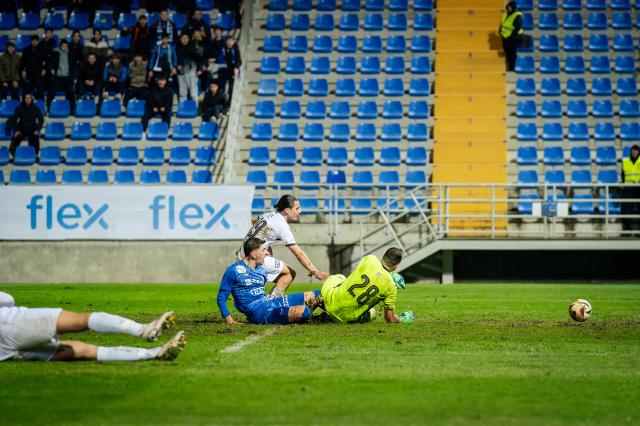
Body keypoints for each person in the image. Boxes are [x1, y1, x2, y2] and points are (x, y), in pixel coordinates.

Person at [0, 291, 185, 362]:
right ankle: (141, 330)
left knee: (80, 351)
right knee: (81, 320)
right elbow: (7, 299)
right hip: (7, 323)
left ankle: (155, 353)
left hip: (3, 352)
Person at [238, 195, 329, 298]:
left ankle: (265, 299)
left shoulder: (270, 214)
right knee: (289, 274)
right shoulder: (282, 227)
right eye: (297, 208)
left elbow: (254, 219)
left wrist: (264, 242)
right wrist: (315, 272)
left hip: (243, 254)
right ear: (287, 210)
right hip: (253, 257)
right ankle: (271, 303)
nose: (300, 211)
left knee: (279, 277)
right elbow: (299, 254)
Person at [218, 238, 320, 325]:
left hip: (270, 302)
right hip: (261, 313)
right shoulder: (233, 271)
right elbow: (221, 298)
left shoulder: (261, 267)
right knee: (304, 312)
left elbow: (286, 274)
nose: (266, 253)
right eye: (263, 250)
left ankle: (326, 316)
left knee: (317, 294)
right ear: (253, 254)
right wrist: (229, 319)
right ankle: (304, 315)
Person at [314, 248, 414, 324]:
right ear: (396, 266)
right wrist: (402, 319)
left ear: (383, 255)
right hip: (344, 318)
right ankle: (327, 317)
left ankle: (319, 299)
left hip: (331, 299)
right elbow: (390, 319)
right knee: (372, 313)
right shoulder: (391, 287)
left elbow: (374, 273)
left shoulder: (370, 259)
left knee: (340, 277)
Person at [7, 93, 44, 158]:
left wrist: (37, 129)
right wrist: (16, 130)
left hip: (32, 130)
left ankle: (34, 155)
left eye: (29, 98)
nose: (28, 99)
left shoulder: (36, 108)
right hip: (21, 130)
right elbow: (14, 119)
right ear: (24, 99)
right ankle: (15, 156)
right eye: (26, 98)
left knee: (35, 139)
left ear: (31, 99)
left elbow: (41, 119)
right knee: (14, 141)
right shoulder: (19, 108)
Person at [47, 40, 77, 115]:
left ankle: (73, 109)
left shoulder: (71, 54)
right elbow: (49, 62)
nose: (64, 47)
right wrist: (51, 69)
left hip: (67, 77)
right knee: (51, 92)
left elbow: (74, 67)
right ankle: (48, 108)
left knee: (70, 93)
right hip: (58, 77)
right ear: (60, 46)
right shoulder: (55, 53)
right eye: (63, 46)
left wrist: (74, 77)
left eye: (66, 46)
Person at [217, 36, 241, 106]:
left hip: (232, 71)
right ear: (226, 41)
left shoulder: (235, 49)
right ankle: (221, 103)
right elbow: (219, 59)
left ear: (234, 42)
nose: (229, 43)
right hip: (223, 71)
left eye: (231, 41)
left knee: (231, 88)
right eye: (228, 41)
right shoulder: (222, 49)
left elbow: (238, 60)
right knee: (221, 87)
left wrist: (236, 67)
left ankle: (229, 103)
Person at [499, 1, 523, 72]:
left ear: (513, 8)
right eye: (508, 7)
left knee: (512, 54)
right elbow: (502, 23)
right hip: (504, 37)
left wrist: (511, 37)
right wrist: (499, 31)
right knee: (507, 53)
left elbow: (518, 27)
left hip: (513, 38)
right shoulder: (505, 13)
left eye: (510, 7)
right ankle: (508, 64)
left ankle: (511, 68)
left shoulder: (517, 15)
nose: (509, 8)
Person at [621, 145, 640, 235]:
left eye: (636, 151)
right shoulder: (625, 161)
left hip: (638, 187)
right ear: (631, 152)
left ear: (638, 152)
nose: (634, 152)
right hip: (628, 187)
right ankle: (626, 229)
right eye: (633, 151)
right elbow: (622, 175)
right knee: (626, 208)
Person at [176, 33, 200, 102]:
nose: (185, 40)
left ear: (189, 39)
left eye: (186, 38)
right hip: (180, 72)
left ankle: (195, 106)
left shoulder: (192, 48)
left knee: (193, 91)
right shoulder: (177, 48)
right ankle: (182, 106)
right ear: (180, 39)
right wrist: (177, 65)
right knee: (182, 92)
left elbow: (198, 59)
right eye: (183, 38)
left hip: (190, 71)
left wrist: (199, 69)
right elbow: (175, 59)